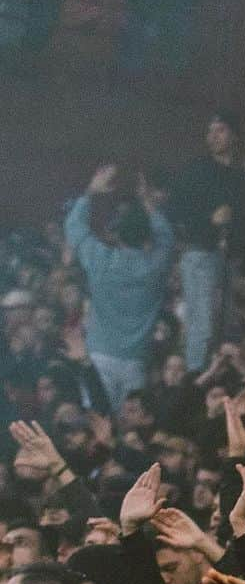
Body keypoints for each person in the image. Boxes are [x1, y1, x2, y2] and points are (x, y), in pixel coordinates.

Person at [63, 165, 174, 412]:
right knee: (131, 432)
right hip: (136, 362)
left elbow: (74, 228)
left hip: (99, 357)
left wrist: (91, 192)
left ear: (117, 234)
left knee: (98, 424)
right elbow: (166, 237)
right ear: (146, 237)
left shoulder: (101, 259)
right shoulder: (155, 266)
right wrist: (148, 203)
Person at [169, 113, 245, 371]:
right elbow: (176, 209)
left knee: (229, 325)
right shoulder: (197, 170)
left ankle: (221, 379)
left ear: (234, 135)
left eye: (220, 130)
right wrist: (209, 220)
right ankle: (195, 378)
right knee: (203, 325)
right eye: (210, 131)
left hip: (232, 258)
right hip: (201, 252)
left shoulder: (244, 179)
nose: (214, 136)